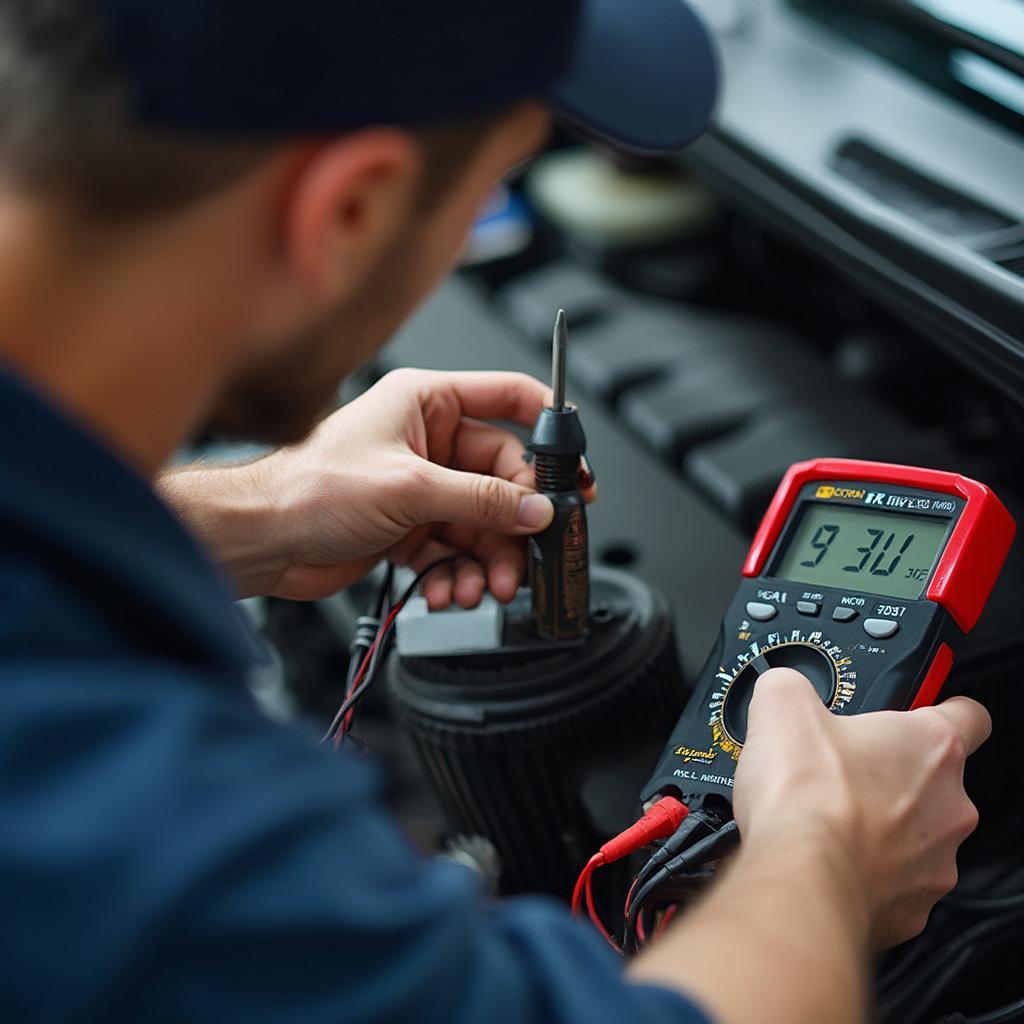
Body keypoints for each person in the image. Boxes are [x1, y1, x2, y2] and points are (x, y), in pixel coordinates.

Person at [0, 2, 990, 1022]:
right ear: (351, 212)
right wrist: (827, 852)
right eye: (486, 191)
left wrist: (249, 512)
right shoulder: (134, 826)